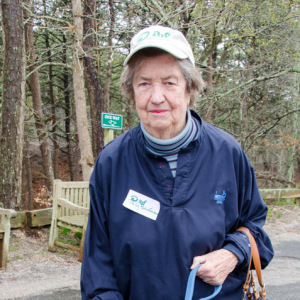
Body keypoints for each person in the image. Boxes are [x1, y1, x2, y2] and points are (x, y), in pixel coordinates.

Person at [81, 25, 274, 300]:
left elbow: (256, 227)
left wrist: (233, 253)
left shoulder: (227, 153)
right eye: (144, 83)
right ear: (132, 91)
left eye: (169, 82)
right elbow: (97, 268)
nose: (156, 97)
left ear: (189, 88)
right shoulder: (111, 163)